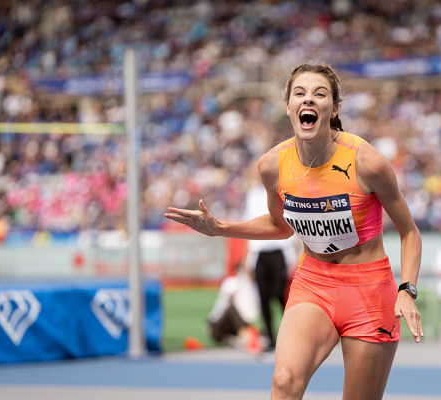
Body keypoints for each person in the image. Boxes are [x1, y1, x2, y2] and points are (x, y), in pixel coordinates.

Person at [165, 62, 423, 400]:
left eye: (320, 94)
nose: (309, 100)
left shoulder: (367, 162)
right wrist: (219, 228)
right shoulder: (272, 165)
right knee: (284, 382)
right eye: (299, 94)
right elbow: (280, 227)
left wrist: (407, 290)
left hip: (369, 291)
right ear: (288, 107)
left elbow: (410, 233)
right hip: (313, 284)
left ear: (333, 109)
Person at [243, 176, 300, 351]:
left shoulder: (282, 192)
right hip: (260, 251)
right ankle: (269, 337)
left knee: (280, 294)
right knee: (264, 298)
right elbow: (248, 224)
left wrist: (293, 255)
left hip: (279, 249)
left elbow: (292, 221)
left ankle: (292, 335)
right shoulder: (252, 195)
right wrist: (249, 259)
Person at [208, 262, 261, 347]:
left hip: (240, 325)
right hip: (219, 326)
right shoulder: (231, 283)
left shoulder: (254, 287)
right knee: (231, 308)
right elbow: (221, 307)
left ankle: (241, 335)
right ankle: (244, 336)